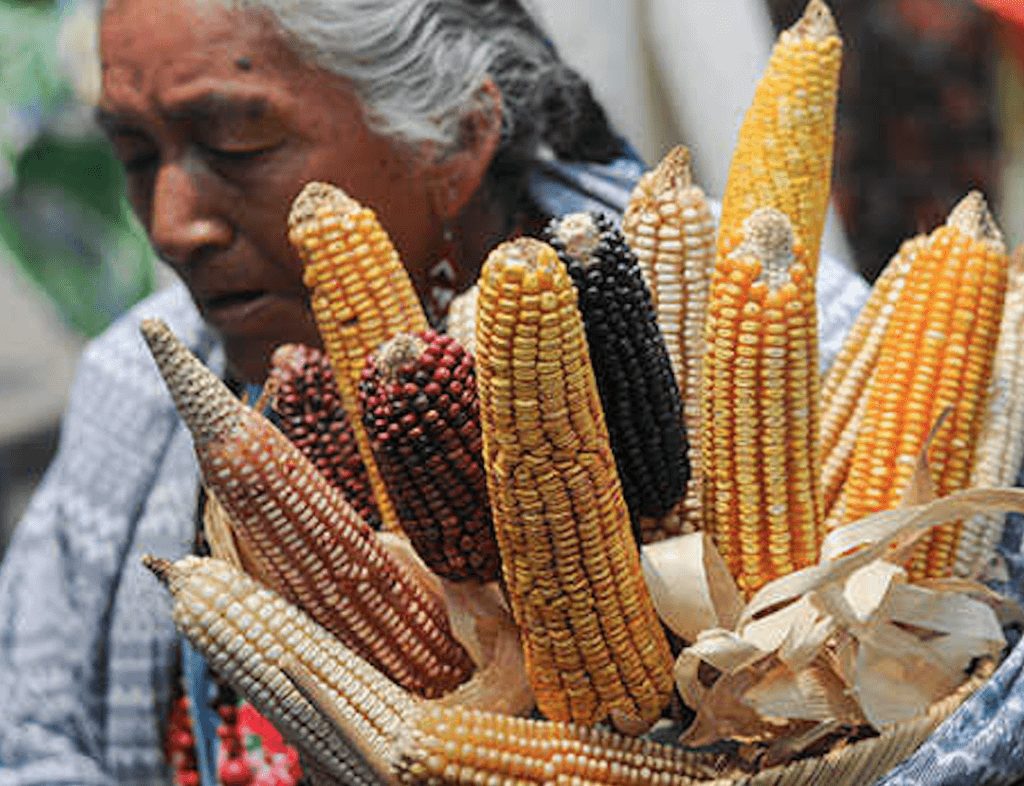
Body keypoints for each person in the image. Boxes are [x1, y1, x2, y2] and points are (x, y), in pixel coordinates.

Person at [0, 1, 872, 784]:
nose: (169, 224)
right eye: (133, 155)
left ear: (455, 138)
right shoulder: (136, 382)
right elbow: (28, 729)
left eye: (236, 146)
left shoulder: (807, 342)